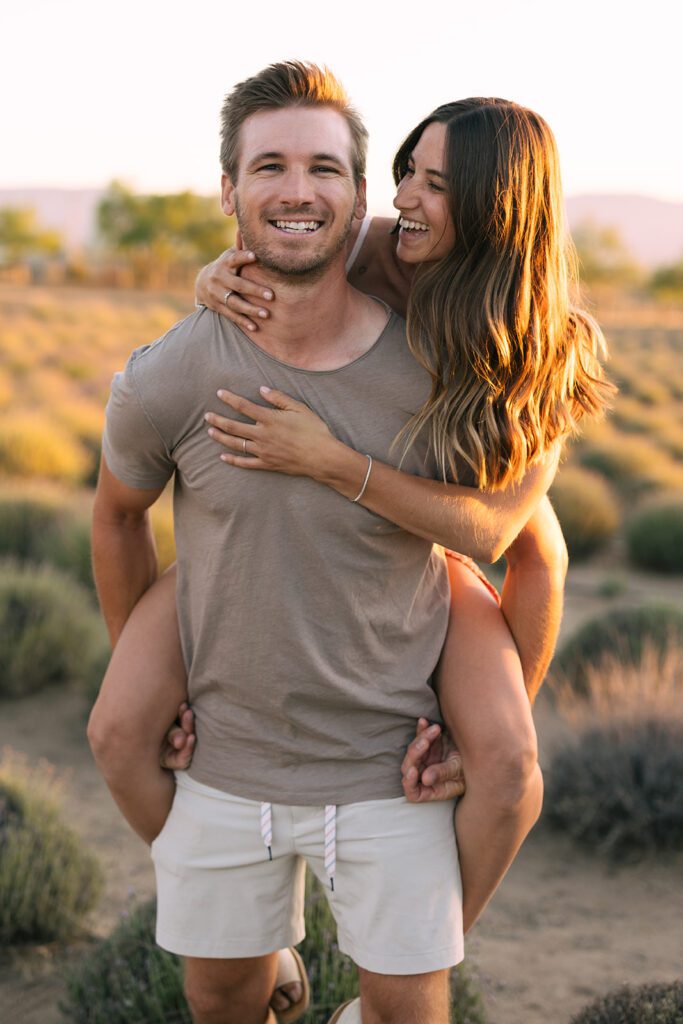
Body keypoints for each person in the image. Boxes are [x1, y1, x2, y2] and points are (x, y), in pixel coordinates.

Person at [88, 63, 611, 1024]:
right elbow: (296, 224)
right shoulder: (383, 249)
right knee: (118, 727)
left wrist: (334, 464)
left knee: (504, 770)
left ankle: (413, 948)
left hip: (440, 536)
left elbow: (507, 540)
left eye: (437, 183)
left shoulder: (541, 351)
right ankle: (258, 930)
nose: (410, 196)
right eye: (407, 170)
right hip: (289, 533)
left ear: (499, 206)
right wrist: (214, 270)